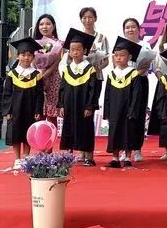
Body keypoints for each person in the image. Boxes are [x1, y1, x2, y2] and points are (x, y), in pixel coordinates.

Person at [58, 28, 101, 166]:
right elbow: (62, 89)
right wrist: (61, 105)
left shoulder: (90, 69)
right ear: (69, 52)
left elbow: (93, 90)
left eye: (78, 49)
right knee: (68, 127)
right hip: (69, 105)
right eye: (72, 49)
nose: (75, 52)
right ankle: (69, 156)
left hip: (84, 106)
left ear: (85, 51)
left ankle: (89, 157)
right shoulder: (67, 70)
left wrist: (90, 106)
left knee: (86, 129)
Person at [2, 37, 44, 170]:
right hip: (15, 110)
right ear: (18, 56)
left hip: (30, 109)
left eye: (29, 55)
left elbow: (39, 95)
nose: (26, 57)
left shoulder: (37, 75)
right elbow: (7, 93)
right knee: (15, 133)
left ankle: (26, 157)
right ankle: (17, 159)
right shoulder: (12, 74)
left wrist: (38, 110)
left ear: (33, 57)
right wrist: (7, 111)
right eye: (23, 54)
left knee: (28, 132)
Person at [103, 36, 145, 169]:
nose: (119, 58)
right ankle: (115, 158)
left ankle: (127, 157)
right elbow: (107, 95)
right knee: (114, 132)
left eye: (122, 55)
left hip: (128, 110)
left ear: (129, 57)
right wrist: (107, 112)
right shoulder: (111, 74)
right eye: (116, 56)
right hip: (114, 110)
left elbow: (136, 95)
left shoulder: (133, 74)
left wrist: (133, 110)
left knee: (128, 132)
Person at [122, 18, 155, 163]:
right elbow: (115, 62)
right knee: (124, 116)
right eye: (127, 27)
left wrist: (134, 74)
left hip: (140, 81)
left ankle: (137, 149)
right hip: (122, 82)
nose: (130, 29)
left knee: (139, 115)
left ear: (139, 29)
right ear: (124, 30)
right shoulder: (121, 45)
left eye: (133, 27)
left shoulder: (145, 45)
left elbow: (147, 65)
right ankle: (124, 149)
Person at [59, 7, 110, 81]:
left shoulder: (102, 38)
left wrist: (96, 69)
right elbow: (68, 57)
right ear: (81, 19)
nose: (87, 20)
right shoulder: (75, 36)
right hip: (77, 76)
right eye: (84, 18)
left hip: (95, 76)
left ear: (95, 18)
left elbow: (106, 60)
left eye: (90, 17)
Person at [33, 14, 64, 132]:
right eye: (41, 24)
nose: (44, 27)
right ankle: (40, 142)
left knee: (52, 114)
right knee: (38, 112)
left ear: (53, 26)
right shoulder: (34, 43)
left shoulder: (59, 44)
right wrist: (38, 73)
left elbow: (56, 62)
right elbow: (32, 61)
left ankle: (51, 142)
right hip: (36, 78)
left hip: (53, 79)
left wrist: (44, 75)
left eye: (48, 24)